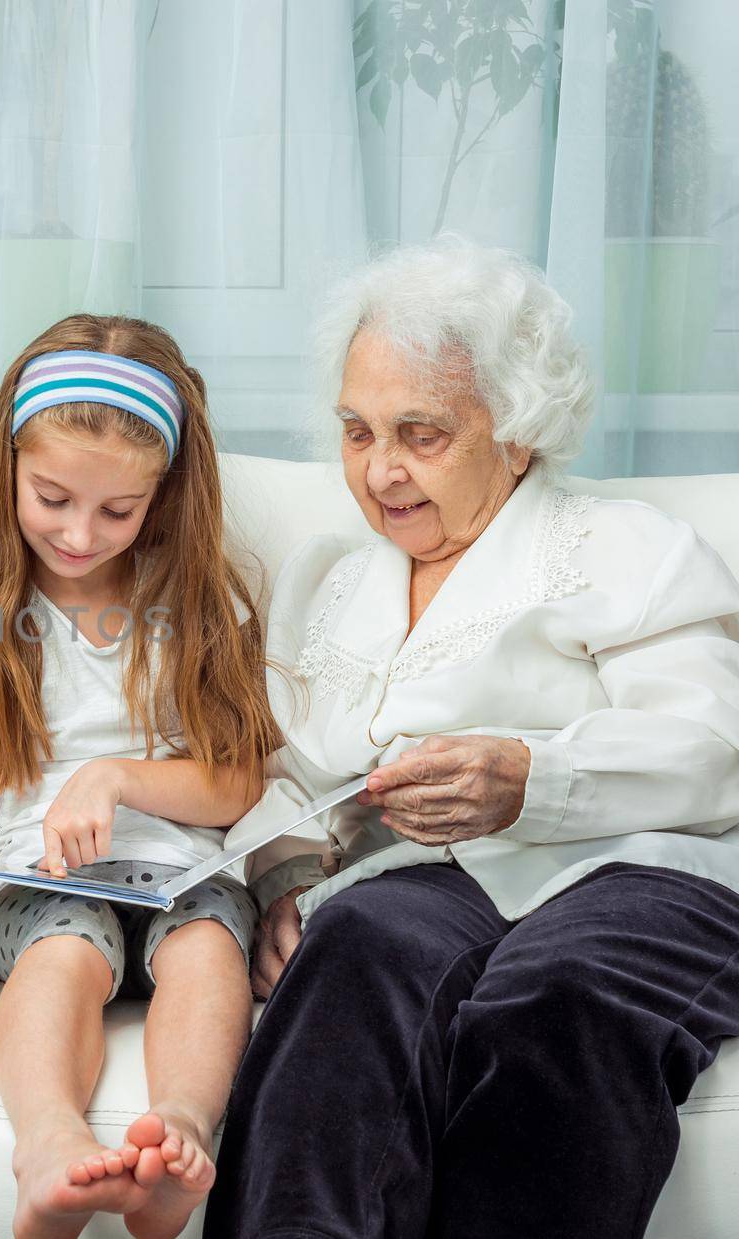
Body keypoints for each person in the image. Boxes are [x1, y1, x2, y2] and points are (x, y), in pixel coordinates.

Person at [204, 240, 739, 1239]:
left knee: (553, 993)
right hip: (430, 879)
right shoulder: (329, 580)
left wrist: (534, 777)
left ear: (519, 430)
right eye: (356, 432)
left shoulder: (622, 547)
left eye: (421, 433)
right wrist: (278, 881)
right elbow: (296, 775)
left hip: (634, 870)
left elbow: (713, 748)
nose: (379, 470)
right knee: (353, 944)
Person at [0, 316, 279, 1239]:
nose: (80, 532)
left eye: (117, 511)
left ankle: (184, 1132)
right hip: (46, 877)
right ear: (9, 468)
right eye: (53, 497)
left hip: (185, 867)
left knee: (206, 947)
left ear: (165, 494)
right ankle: (48, 1143)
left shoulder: (200, 607)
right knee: (61, 951)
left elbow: (235, 787)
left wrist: (116, 775)